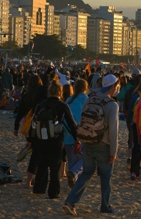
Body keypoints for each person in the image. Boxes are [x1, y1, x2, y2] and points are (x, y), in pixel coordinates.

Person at [63, 73, 119, 215]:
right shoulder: (112, 104)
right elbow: (113, 130)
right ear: (112, 86)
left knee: (86, 173)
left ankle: (70, 202)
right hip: (103, 145)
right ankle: (105, 206)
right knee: (106, 177)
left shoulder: (89, 99)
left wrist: (79, 140)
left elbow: (83, 121)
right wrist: (114, 151)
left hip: (87, 142)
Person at [32, 81, 78, 199]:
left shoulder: (40, 105)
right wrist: (77, 139)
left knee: (42, 163)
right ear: (60, 92)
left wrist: (32, 139)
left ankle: (38, 188)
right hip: (56, 139)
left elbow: (34, 122)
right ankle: (53, 192)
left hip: (41, 138)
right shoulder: (62, 105)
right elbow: (72, 123)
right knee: (54, 166)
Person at [14, 74, 48, 188]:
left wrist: (15, 128)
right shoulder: (42, 95)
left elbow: (20, 112)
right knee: (38, 154)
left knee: (35, 151)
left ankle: (33, 179)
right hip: (40, 126)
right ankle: (30, 180)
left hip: (28, 126)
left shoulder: (27, 95)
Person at [64, 79, 89, 188]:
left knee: (72, 159)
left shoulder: (69, 100)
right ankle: (73, 173)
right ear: (85, 88)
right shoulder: (86, 100)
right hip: (81, 135)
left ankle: (73, 178)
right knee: (85, 159)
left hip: (67, 135)